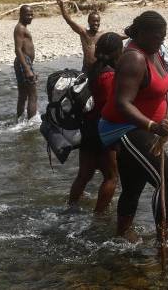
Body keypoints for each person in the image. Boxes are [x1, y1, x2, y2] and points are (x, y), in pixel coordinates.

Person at [98, 11, 168, 241]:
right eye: (156, 37)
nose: (160, 42)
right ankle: (164, 243)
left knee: (134, 184)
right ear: (141, 33)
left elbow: (153, 86)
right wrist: (153, 126)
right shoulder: (135, 58)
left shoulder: (153, 52)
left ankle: (122, 236)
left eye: (163, 37)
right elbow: (122, 104)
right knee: (167, 180)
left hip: (141, 129)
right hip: (124, 128)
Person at [68, 32, 123, 214]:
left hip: (88, 128)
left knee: (84, 175)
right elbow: (110, 107)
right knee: (111, 177)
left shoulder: (92, 69)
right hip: (103, 130)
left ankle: (71, 209)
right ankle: (99, 217)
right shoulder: (109, 76)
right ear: (116, 52)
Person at [124, 25, 168, 112]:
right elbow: (124, 101)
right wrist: (150, 124)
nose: (161, 42)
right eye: (159, 37)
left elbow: (159, 83)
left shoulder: (154, 49)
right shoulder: (135, 57)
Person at [56, 0, 106, 71]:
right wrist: (62, 6)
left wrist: (131, 32)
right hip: (86, 69)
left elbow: (119, 37)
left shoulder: (103, 35)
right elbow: (69, 21)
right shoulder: (83, 32)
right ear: (89, 21)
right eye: (93, 21)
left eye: (97, 21)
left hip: (99, 70)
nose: (96, 23)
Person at [13, 5, 37, 120]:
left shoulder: (22, 27)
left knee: (23, 94)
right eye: (28, 14)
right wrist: (27, 69)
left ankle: (19, 121)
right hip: (24, 61)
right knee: (33, 94)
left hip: (24, 62)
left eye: (32, 14)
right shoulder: (20, 28)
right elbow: (17, 49)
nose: (31, 17)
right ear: (21, 15)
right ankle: (32, 123)